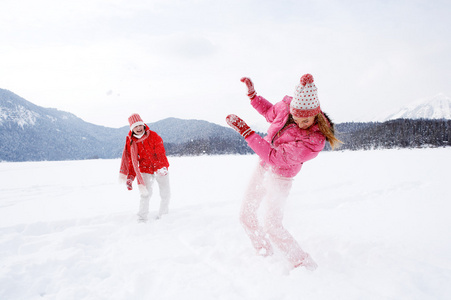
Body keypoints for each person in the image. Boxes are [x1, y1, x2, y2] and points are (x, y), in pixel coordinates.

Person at [226, 74, 342, 271]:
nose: (300, 122)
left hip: (281, 176)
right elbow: (270, 111)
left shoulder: (313, 141)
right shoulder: (286, 109)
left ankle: (304, 265)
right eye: (296, 117)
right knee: (246, 214)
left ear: (315, 115)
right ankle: (263, 251)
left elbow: (275, 157)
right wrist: (253, 96)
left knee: (272, 225)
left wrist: (247, 132)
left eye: (306, 119)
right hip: (263, 167)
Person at [119, 113, 171, 222]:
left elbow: (161, 153)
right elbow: (132, 161)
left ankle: (164, 215)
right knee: (145, 194)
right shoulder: (131, 141)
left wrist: (160, 167)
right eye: (135, 126)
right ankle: (142, 218)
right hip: (145, 169)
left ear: (143, 125)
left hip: (160, 168)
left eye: (140, 125)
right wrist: (130, 177)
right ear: (132, 129)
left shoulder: (153, 136)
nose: (138, 128)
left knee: (165, 193)